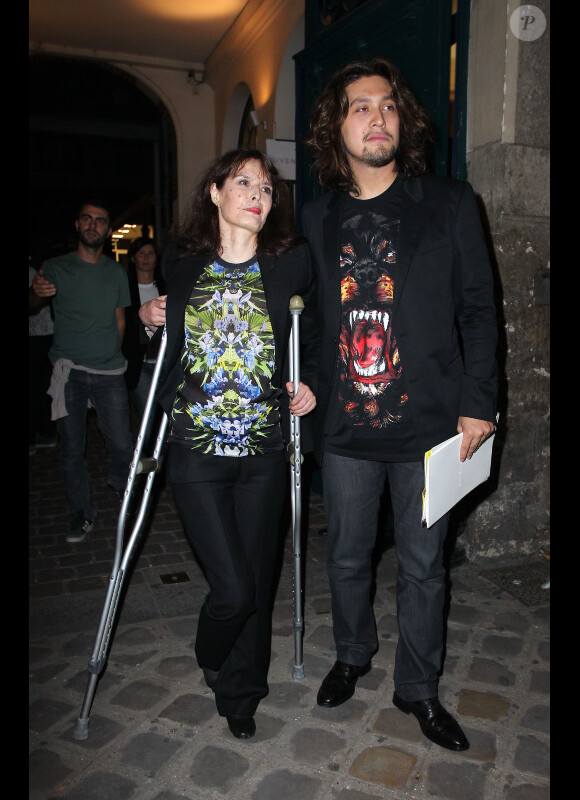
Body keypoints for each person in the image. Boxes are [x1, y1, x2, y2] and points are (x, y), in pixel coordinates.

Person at [301, 58, 498, 752]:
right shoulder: (317, 217)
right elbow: (299, 312)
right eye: (360, 107)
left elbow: (480, 308)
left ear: (402, 121)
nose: (376, 117)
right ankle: (352, 653)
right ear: (337, 127)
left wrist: (481, 403)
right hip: (347, 429)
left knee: (423, 566)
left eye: (387, 106)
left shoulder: (449, 202)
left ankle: (419, 688)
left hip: (430, 427)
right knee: (348, 558)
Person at [138, 149, 318, 740]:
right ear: (215, 193)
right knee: (233, 588)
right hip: (196, 448)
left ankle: (241, 693)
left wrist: (310, 380)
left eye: (266, 189)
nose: (257, 196)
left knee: (257, 584)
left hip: (263, 451)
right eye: (244, 183)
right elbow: (161, 340)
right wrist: (147, 319)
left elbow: (314, 330)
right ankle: (210, 649)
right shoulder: (182, 262)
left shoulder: (291, 263)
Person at [31, 200, 134, 544]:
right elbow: (33, 304)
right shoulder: (55, 268)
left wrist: (111, 353)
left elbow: (120, 320)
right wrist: (34, 293)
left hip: (109, 372)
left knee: (121, 443)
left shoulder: (116, 272)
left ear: (107, 229)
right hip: (69, 370)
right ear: (77, 224)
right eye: (87, 219)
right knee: (71, 449)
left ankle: (123, 493)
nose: (93, 225)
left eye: (100, 221)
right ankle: (81, 512)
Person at [122, 236, 167, 418]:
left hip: (165, 363)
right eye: (141, 253)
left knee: (166, 420)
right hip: (139, 365)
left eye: (151, 253)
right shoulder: (125, 288)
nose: (147, 258)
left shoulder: (167, 287)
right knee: (147, 420)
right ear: (133, 258)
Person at [29, 259, 57, 455]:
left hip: (42, 337)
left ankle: (45, 432)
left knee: (40, 387)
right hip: (38, 337)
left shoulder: (35, 272)